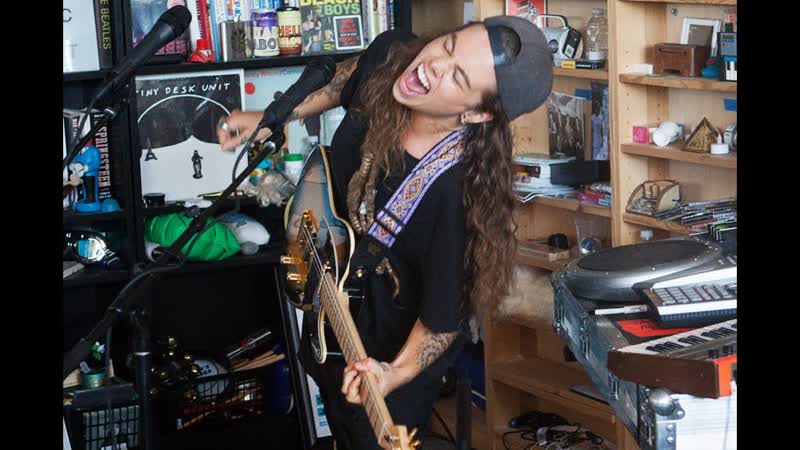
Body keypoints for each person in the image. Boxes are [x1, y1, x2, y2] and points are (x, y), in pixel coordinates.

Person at [217, 16, 553, 450]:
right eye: (448, 45)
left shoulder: (458, 196)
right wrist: (272, 117)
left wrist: (394, 373)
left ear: (476, 113)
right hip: (326, 322)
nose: (432, 66)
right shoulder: (395, 59)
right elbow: (348, 78)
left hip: (383, 364)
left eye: (457, 76)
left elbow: (443, 320)